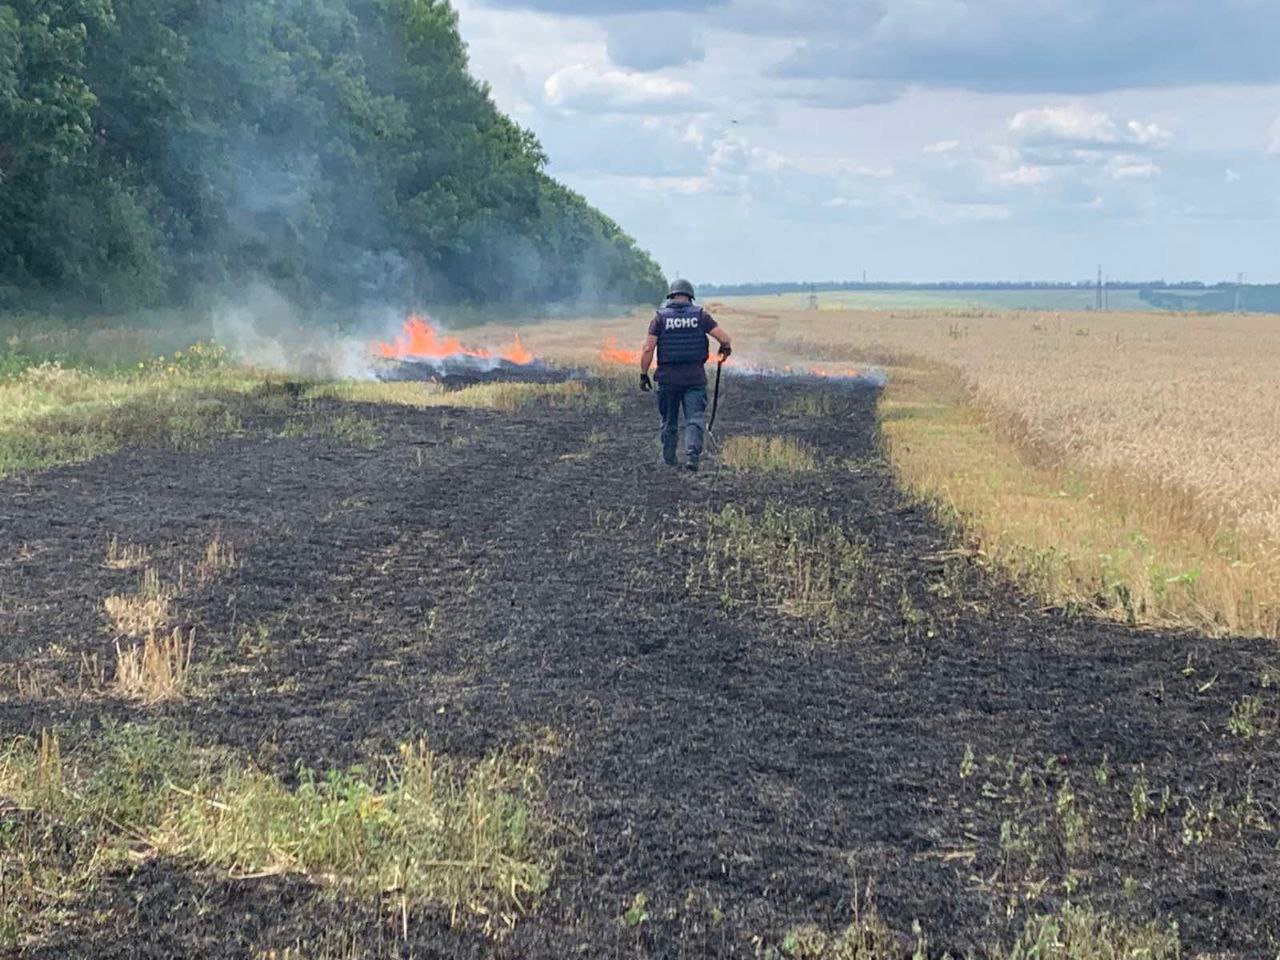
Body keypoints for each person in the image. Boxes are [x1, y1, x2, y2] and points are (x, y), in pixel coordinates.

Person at [639, 279, 732, 473]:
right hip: (694, 378)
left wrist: (643, 373)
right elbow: (724, 338)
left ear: (671, 296)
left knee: (669, 419)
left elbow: (648, 348)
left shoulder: (660, 318)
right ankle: (692, 455)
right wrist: (725, 349)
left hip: (667, 378)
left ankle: (670, 458)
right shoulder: (700, 316)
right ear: (690, 297)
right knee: (695, 418)